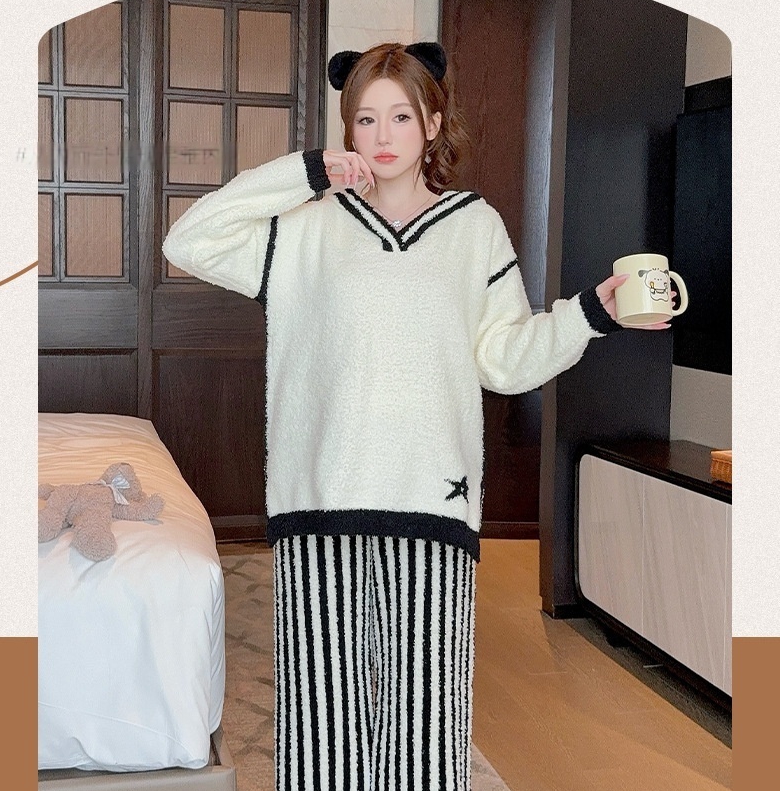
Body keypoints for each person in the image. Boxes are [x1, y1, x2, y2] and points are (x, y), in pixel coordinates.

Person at [163, 41, 670, 791]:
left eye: (401, 115)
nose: (383, 134)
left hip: (434, 502)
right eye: (365, 118)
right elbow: (188, 240)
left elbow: (504, 360)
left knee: (427, 723)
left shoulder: (474, 227)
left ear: (432, 123)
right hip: (321, 500)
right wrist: (305, 173)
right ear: (347, 129)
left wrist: (589, 314)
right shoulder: (304, 228)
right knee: (322, 719)